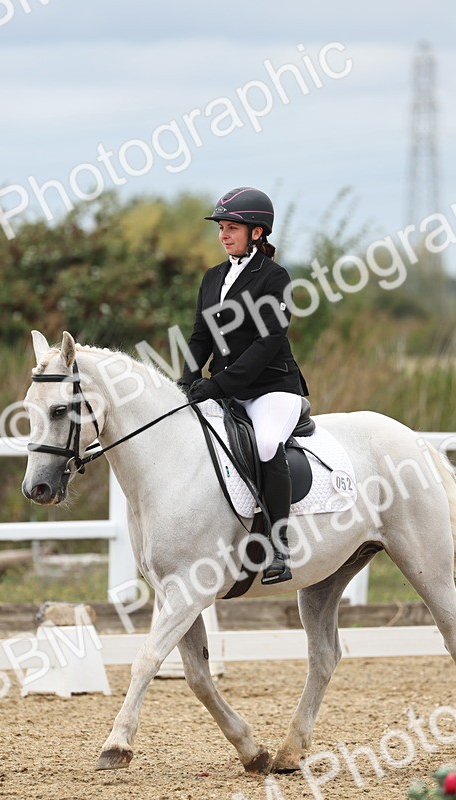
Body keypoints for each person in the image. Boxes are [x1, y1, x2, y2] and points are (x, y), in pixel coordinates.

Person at [178, 186, 309, 585]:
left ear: (256, 232)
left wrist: (217, 384)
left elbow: (267, 343)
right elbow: (200, 335)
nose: (223, 234)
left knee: (267, 443)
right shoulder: (212, 277)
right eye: (221, 227)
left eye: (231, 227)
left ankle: (278, 545)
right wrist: (186, 378)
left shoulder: (274, 277)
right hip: (226, 387)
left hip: (273, 387)